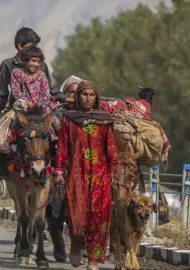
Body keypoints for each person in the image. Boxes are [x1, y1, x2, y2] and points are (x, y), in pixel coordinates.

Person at [0, 27, 66, 180]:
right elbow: (2, 91)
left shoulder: (41, 65)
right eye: (31, 46)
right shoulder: (9, 65)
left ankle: (59, 167)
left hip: (41, 108)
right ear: (20, 46)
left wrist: (67, 99)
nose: (35, 61)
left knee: (62, 126)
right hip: (19, 108)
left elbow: (51, 89)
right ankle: (0, 167)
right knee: (0, 132)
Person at [54, 80, 118, 270]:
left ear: (96, 97)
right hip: (76, 173)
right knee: (75, 217)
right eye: (84, 94)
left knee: (98, 218)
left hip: (101, 175)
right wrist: (59, 171)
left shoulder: (104, 119)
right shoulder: (68, 118)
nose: (88, 98)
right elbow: (63, 147)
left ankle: (92, 259)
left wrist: (114, 173)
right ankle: (75, 242)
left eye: (91, 95)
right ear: (78, 96)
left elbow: (111, 148)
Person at [46, 75, 83, 263]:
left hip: (83, 172)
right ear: (65, 94)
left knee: (81, 214)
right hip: (58, 171)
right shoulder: (55, 116)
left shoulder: (91, 115)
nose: (75, 96)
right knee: (55, 213)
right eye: (71, 92)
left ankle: (78, 250)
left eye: (79, 92)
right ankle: (59, 247)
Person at [10, 45, 56, 116]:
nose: (36, 64)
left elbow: (45, 94)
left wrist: (38, 103)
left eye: (39, 62)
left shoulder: (42, 75)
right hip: (23, 105)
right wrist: (27, 102)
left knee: (54, 122)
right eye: (33, 61)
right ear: (25, 60)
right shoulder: (17, 73)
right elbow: (16, 91)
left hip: (40, 107)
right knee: (13, 116)